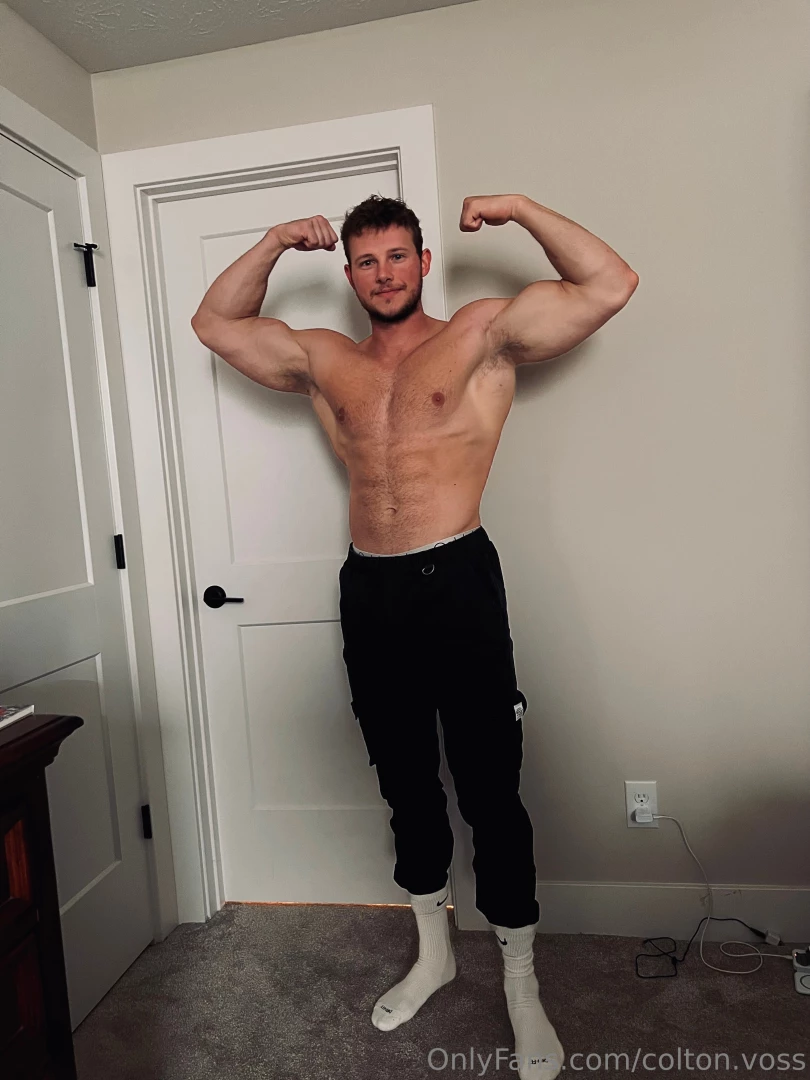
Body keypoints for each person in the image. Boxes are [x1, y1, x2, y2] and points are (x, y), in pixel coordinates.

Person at [191, 193, 638, 1079]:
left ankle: (521, 983)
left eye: (398, 255)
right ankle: (434, 954)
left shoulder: (480, 335)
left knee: (491, 790)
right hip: (372, 589)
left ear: (423, 261)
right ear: (350, 273)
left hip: (458, 579)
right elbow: (216, 323)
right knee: (405, 783)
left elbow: (610, 283)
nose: (384, 273)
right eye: (367, 260)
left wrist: (519, 209)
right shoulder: (325, 360)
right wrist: (274, 240)